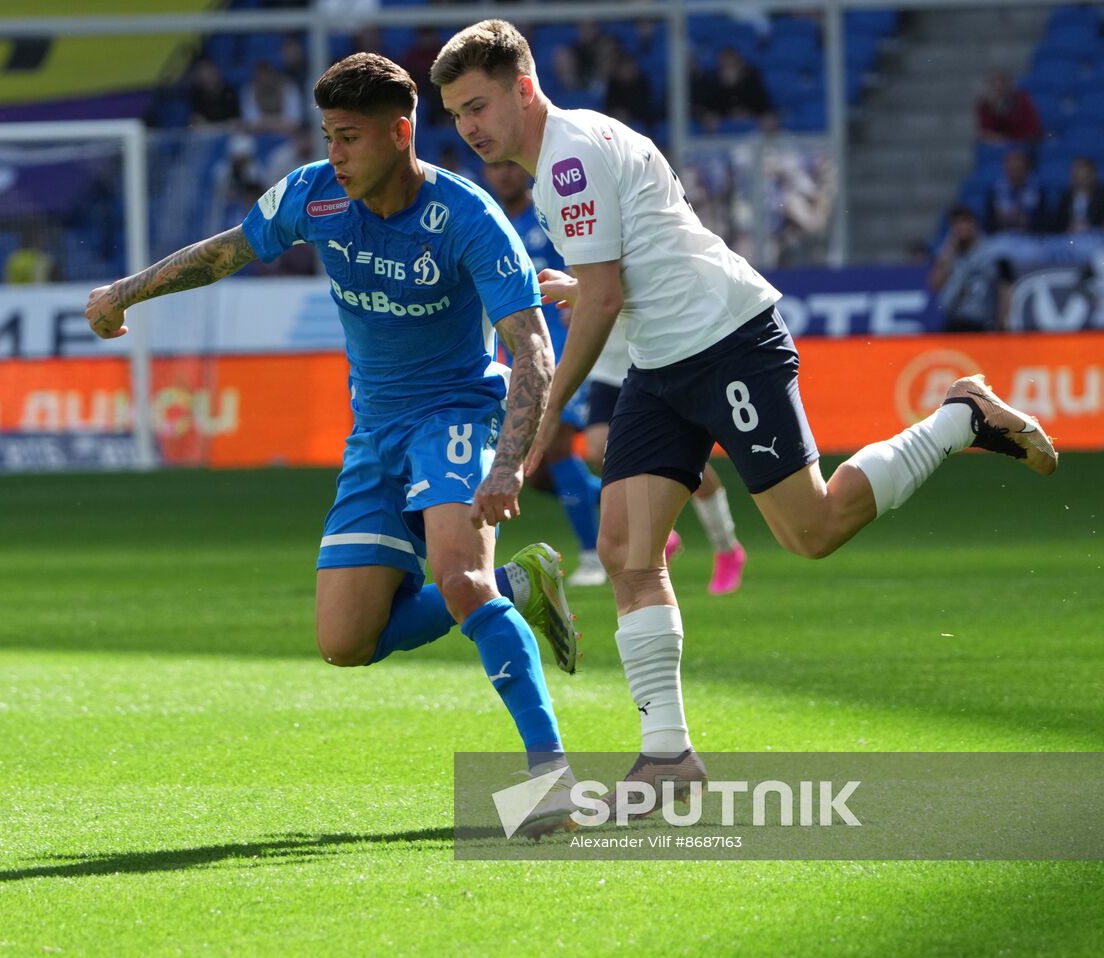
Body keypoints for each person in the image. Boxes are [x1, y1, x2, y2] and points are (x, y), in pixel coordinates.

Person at [432, 19, 1058, 812]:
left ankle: (959, 417)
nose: (469, 128)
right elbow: (630, 259)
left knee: (813, 529)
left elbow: (606, 299)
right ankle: (669, 759)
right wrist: (577, 291)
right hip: (661, 362)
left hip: (727, 342)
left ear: (524, 88)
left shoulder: (568, 159)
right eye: (455, 113)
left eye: (478, 105)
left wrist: (539, 423)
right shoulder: (566, 154)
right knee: (627, 548)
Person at [86, 53, 581, 836]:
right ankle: (521, 587)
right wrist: (125, 292)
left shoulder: (468, 219)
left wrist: (509, 463)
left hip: (455, 413)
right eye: (328, 135)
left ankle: (550, 779)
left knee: (457, 577)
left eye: (349, 137)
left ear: (401, 131)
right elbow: (229, 250)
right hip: (374, 431)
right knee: (346, 642)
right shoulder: (314, 195)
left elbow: (534, 349)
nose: (335, 154)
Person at [483, 159, 604, 587]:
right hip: (520, 355)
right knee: (537, 472)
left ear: (524, 171)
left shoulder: (548, 218)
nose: (502, 175)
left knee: (555, 452)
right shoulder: (491, 221)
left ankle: (594, 556)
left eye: (508, 167)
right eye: (493, 169)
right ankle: (629, 509)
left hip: (566, 350)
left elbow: (592, 270)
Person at [583, 322, 748, 596]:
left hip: (657, 363)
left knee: (688, 461)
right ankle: (662, 535)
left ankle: (727, 548)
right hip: (608, 368)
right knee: (600, 449)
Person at [929, 205, 1011, 333]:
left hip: (983, 322)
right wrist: (946, 257)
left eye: (965, 222)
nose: (961, 228)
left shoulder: (992, 253)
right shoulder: (950, 254)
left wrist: (1002, 320)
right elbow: (935, 285)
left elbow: (1004, 287)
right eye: (956, 224)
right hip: (955, 320)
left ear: (975, 224)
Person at [985, 148, 1047, 234]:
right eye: (1011, 168)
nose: (1015, 171)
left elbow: (1045, 220)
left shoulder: (1038, 190)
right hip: (1002, 236)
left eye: (1018, 167)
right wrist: (1001, 219)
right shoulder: (995, 190)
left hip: (1031, 236)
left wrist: (1028, 220)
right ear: (1005, 168)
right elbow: (989, 221)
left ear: (1026, 168)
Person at [975, 69, 1043, 148]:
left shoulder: (1021, 99)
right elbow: (986, 130)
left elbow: (1029, 128)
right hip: (997, 145)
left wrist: (1003, 111)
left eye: (1002, 81)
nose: (998, 85)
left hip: (1023, 144)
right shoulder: (984, 104)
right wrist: (993, 108)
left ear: (1009, 83)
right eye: (993, 82)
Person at [1052, 156, 1104, 235]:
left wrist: (1090, 227)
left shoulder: (1101, 197)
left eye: (1084, 176)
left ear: (1093, 175)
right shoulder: (1066, 197)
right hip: (1069, 239)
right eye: (1075, 174)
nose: (1079, 178)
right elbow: (1057, 225)